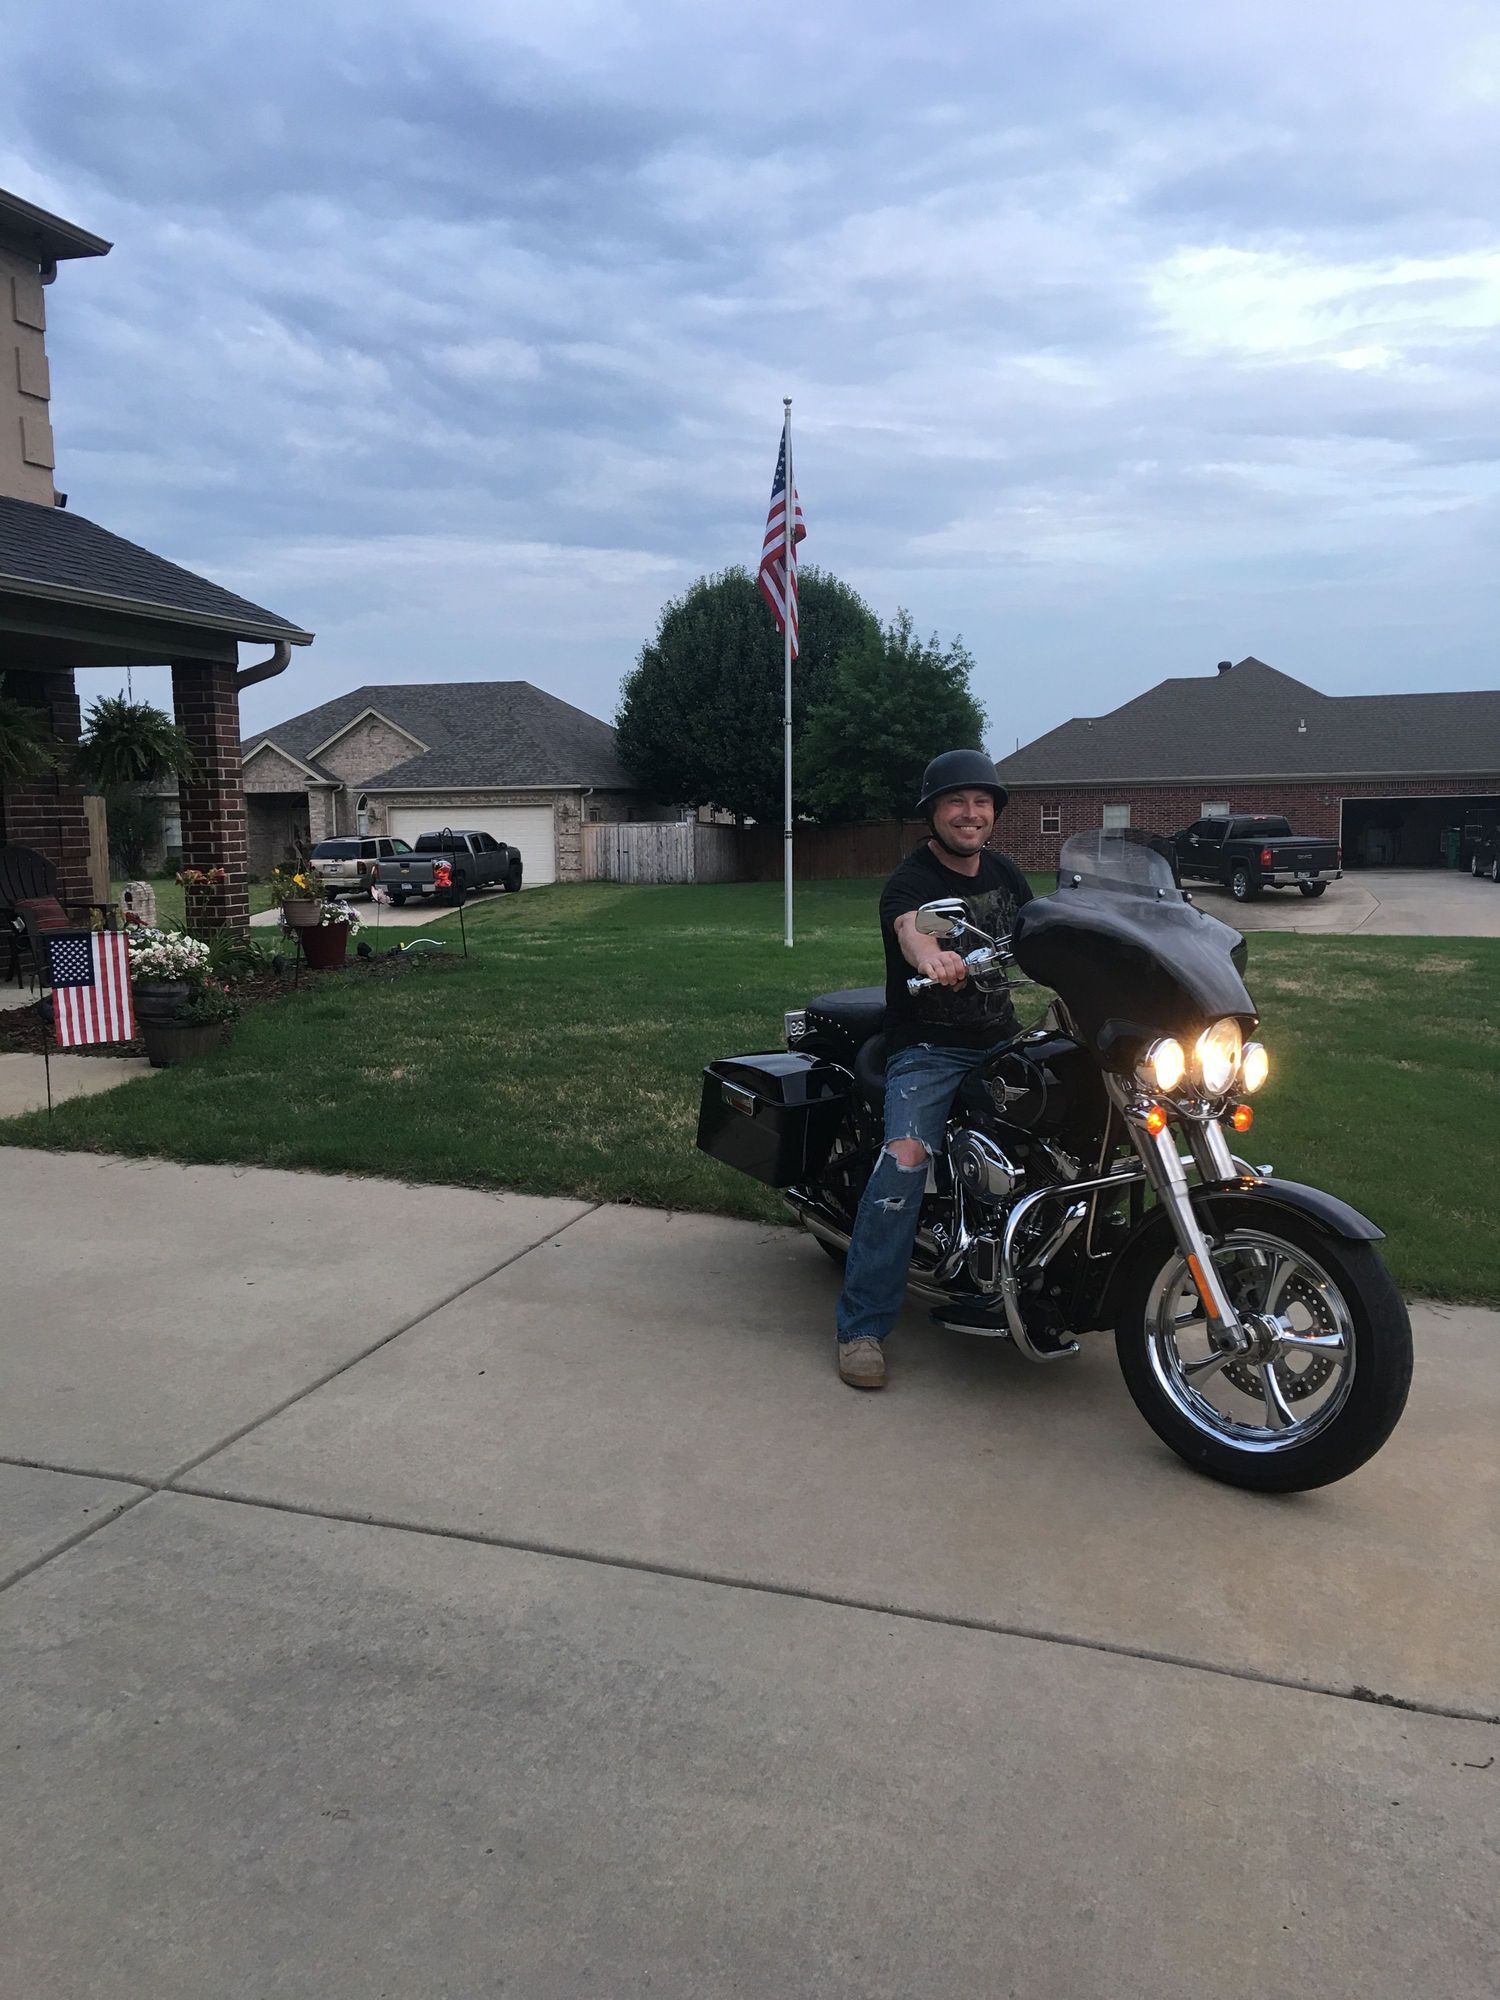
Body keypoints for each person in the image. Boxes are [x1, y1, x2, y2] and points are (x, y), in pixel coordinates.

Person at [835, 750, 1033, 1389]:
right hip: (929, 1046)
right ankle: (862, 1327)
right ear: (933, 812)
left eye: (982, 802)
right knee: (906, 1159)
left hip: (1001, 1038)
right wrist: (933, 958)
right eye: (957, 802)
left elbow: (1042, 932)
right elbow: (910, 929)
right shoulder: (912, 880)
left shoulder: (1005, 872)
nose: (971, 813)